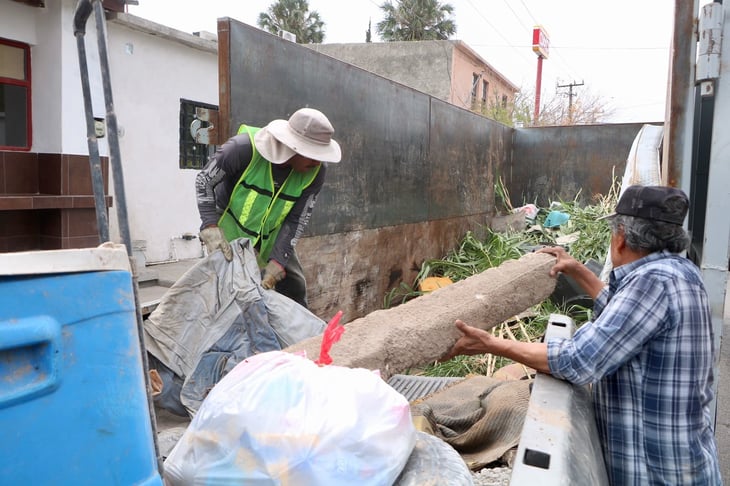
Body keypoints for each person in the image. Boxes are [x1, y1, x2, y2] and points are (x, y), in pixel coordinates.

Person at [444, 185, 722, 485]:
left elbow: (577, 361)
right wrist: (578, 270)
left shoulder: (652, 283)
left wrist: (490, 344)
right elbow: (624, 323)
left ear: (621, 237)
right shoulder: (680, 272)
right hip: (684, 461)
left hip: (657, 472)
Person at [195, 107, 341, 308]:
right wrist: (210, 227)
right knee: (227, 290)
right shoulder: (242, 148)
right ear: (293, 147)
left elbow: (297, 219)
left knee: (295, 286)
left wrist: (279, 260)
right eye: (313, 155)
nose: (318, 162)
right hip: (229, 225)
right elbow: (204, 181)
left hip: (272, 232)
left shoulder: (316, 172)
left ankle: (302, 340)